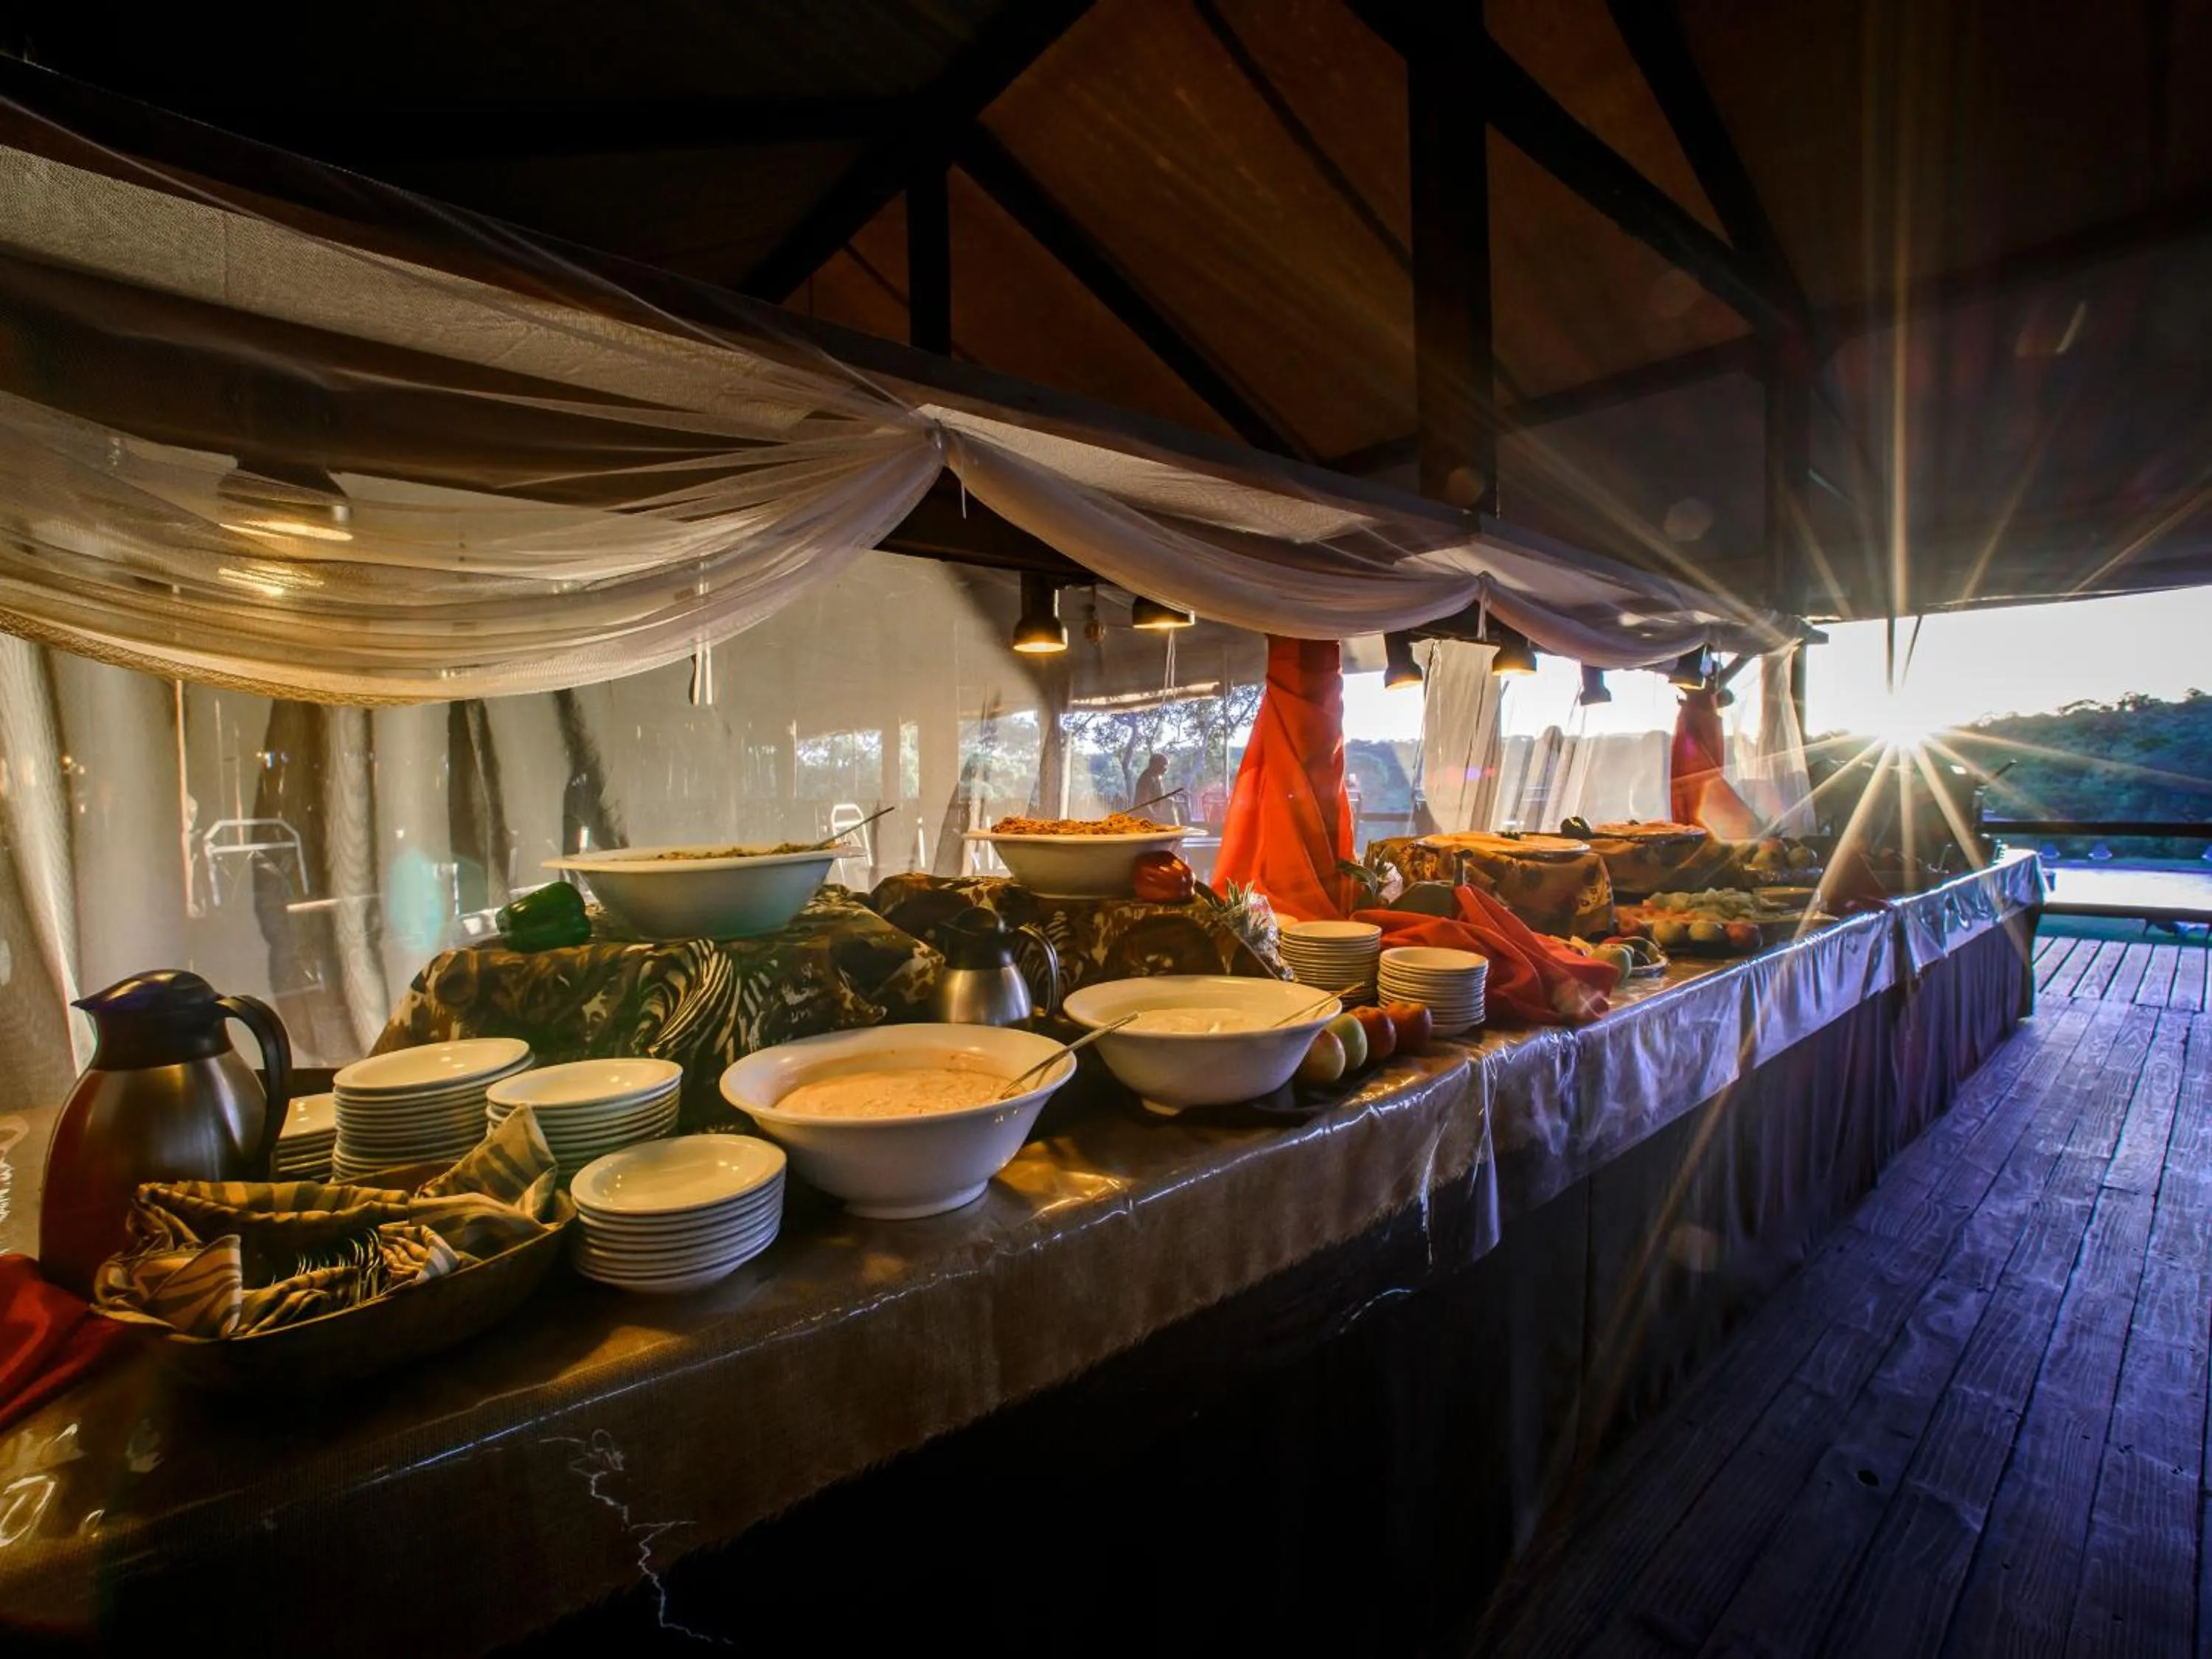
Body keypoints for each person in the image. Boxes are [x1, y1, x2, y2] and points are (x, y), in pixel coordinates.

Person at [1128, 754, 1172, 818]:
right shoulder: (1147, 778)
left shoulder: (1157, 778)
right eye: (1163, 765)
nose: (1165, 769)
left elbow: (1159, 797)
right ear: (1155, 765)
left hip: (1153, 814)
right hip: (1143, 816)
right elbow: (1144, 801)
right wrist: (1153, 816)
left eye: (1166, 766)